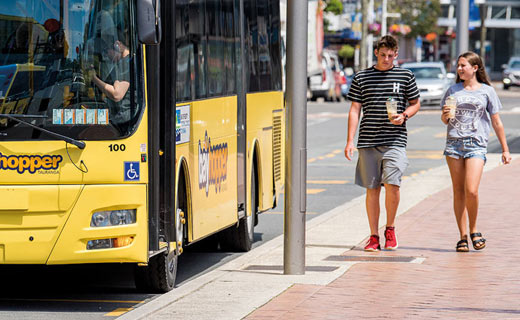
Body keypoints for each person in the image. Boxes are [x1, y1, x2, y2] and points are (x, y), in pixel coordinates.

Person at [344, 35, 420, 252]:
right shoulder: (362, 77)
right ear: (376, 52)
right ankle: (374, 235)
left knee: (393, 185)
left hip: (395, 140)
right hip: (368, 141)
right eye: (383, 55)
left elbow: (416, 104)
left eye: (391, 56)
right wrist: (350, 141)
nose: (387, 59)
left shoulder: (405, 75)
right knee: (372, 189)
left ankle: (390, 227)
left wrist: (404, 115)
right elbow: (355, 109)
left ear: (396, 54)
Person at [440, 51, 512, 252]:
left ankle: (474, 229)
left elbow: (496, 122)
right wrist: (446, 116)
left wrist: (505, 149)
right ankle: (462, 236)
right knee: (458, 191)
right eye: (458, 65)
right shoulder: (452, 90)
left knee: (471, 190)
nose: (460, 69)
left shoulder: (487, 91)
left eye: (464, 65)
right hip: (453, 144)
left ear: (475, 68)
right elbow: (445, 119)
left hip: (476, 144)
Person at [89, 29, 131, 127]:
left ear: (117, 45)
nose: (107, 55)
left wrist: (94, 78)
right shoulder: (122, 63)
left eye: (106, 51)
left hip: (122, 119)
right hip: (118, 117)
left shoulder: (126, 64)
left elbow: (116, 94)